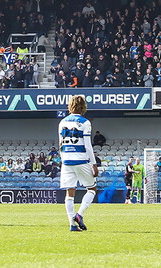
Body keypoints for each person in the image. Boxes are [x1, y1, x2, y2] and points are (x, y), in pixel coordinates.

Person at [58, 95, 97, 232]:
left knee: (69, 193)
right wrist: (94, 164)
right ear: (83, 106)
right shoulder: (85, 122)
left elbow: (60, 145)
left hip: (66, 161)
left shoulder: (62, 122)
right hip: (81, 159)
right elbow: (88, 146)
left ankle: (72, 225)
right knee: (91, 189)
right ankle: (79, 214)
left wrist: (63, 160)